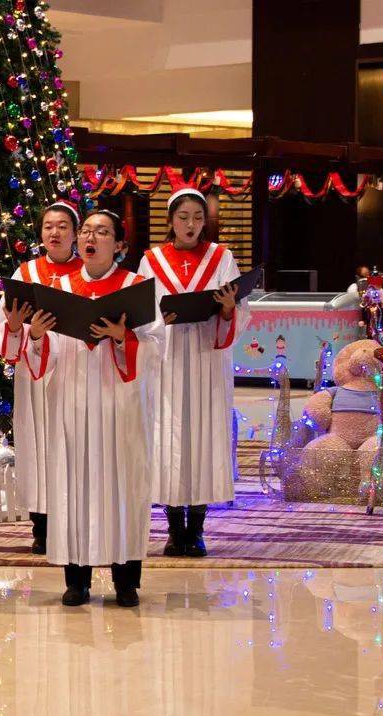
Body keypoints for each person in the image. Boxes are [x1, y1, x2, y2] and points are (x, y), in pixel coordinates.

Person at [23, 209, 163, 608]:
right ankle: (76, 579)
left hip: (120, 407)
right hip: (71, 403)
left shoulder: (138, 288)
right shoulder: (59, 287)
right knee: (74, 487)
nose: (91, 237)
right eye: (86, 230)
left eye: (102, 231)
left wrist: (123, 337)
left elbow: (157, 347)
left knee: (123, 486)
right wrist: (35, 335)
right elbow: (41, 358)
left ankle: (125, 580)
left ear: (119, 244)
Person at [138, 188, 249, 558]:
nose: (190, 225)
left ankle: (197, 528)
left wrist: (230, 309)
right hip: (166, 359)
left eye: (197, 218)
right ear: (170, 220)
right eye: (183, 217)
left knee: (202, 434)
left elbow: (238, 309)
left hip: (205, 357)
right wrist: (158, 319)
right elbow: (140, 310)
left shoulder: (222, 257)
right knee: (168, 437)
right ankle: (173, 528)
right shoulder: (151, 261)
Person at [0, 199, 83, 554]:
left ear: (76, 233)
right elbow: (3, 324)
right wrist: (16, 328)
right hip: (34, 375)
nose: (55, 232)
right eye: (48, 226)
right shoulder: (25, 274)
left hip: (75, 374)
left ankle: (74, 518)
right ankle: (41, 525)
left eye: (63, 226)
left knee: (72, 445)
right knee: (36, 445)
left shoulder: (88, 271)